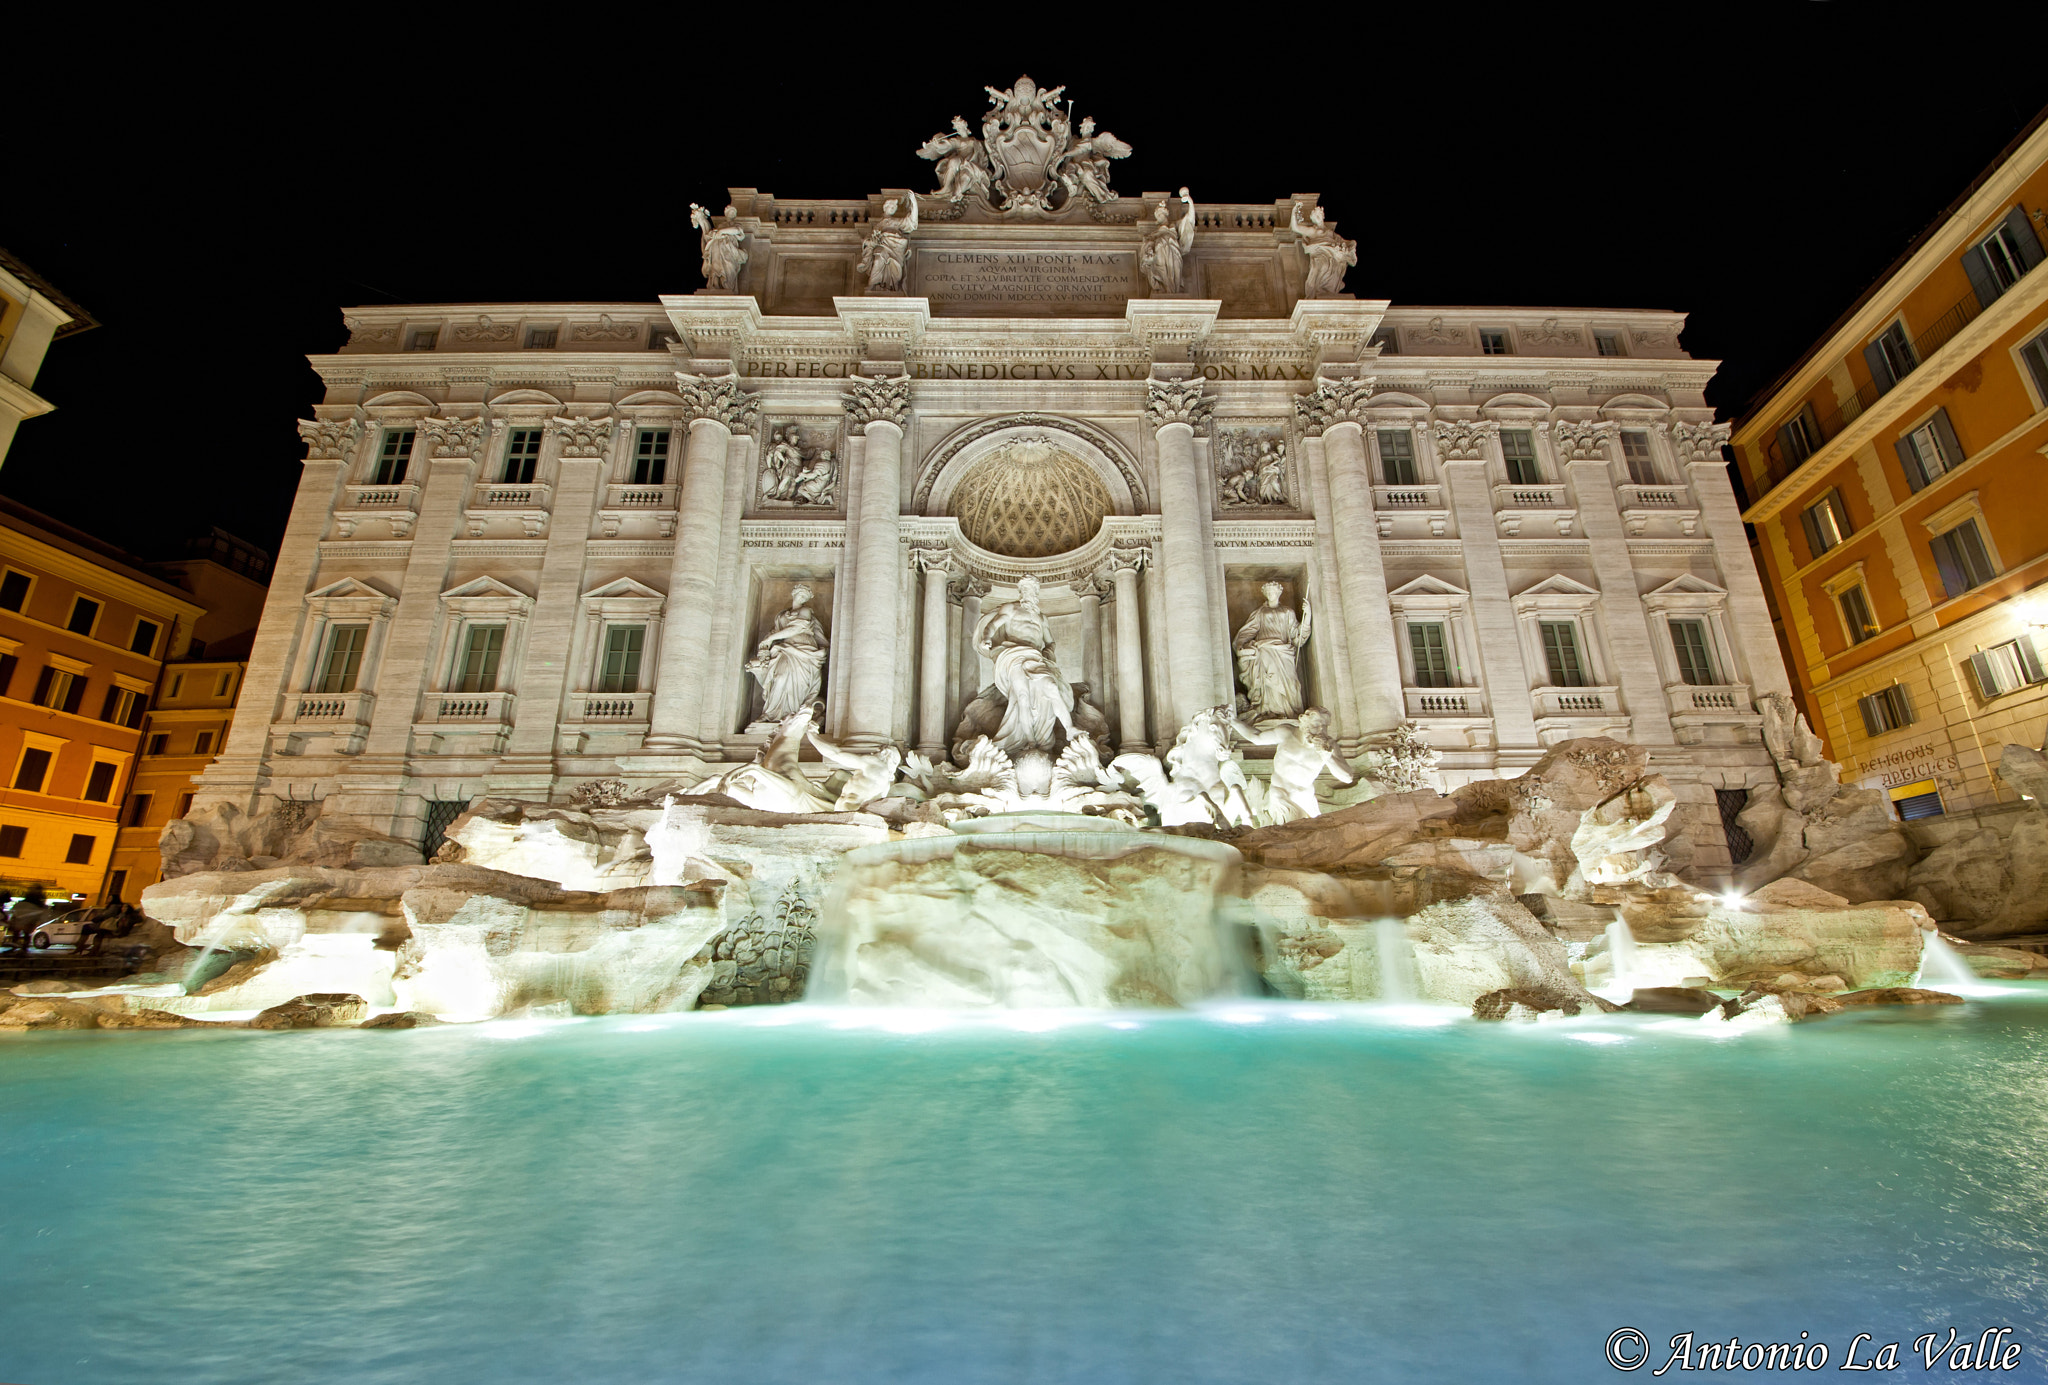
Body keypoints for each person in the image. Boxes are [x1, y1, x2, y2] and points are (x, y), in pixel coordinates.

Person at [973, 574, 1078, 754]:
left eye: (1032, 589)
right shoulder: (1010, 608)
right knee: (1022, 697)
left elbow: (1051, 642)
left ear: (1036, 592)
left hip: (1035, 657)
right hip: (1013, 655)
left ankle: (1070, 729)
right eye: (1025, 589)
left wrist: (1048, 652)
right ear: (1020, 592)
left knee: (1051, 687)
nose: (1028, 592)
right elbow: (993, 625)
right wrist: (987, 638)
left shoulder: (1042, 618)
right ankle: (1030, 742)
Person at [1233, 582, 1312, 721]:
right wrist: (1241, 644)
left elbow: (1297, 635)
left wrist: (1308, 616)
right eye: (1268, 593)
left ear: (1278, 593)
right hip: (1265, 650)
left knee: (1290, 683)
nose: (1271, 595)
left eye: (1273, 592)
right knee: (1269, 681)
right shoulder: (1260, 613)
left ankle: (1288, 712)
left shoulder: (1288, 612)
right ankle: (1269, 711)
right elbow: (1248, 631)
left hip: (1284, 652)